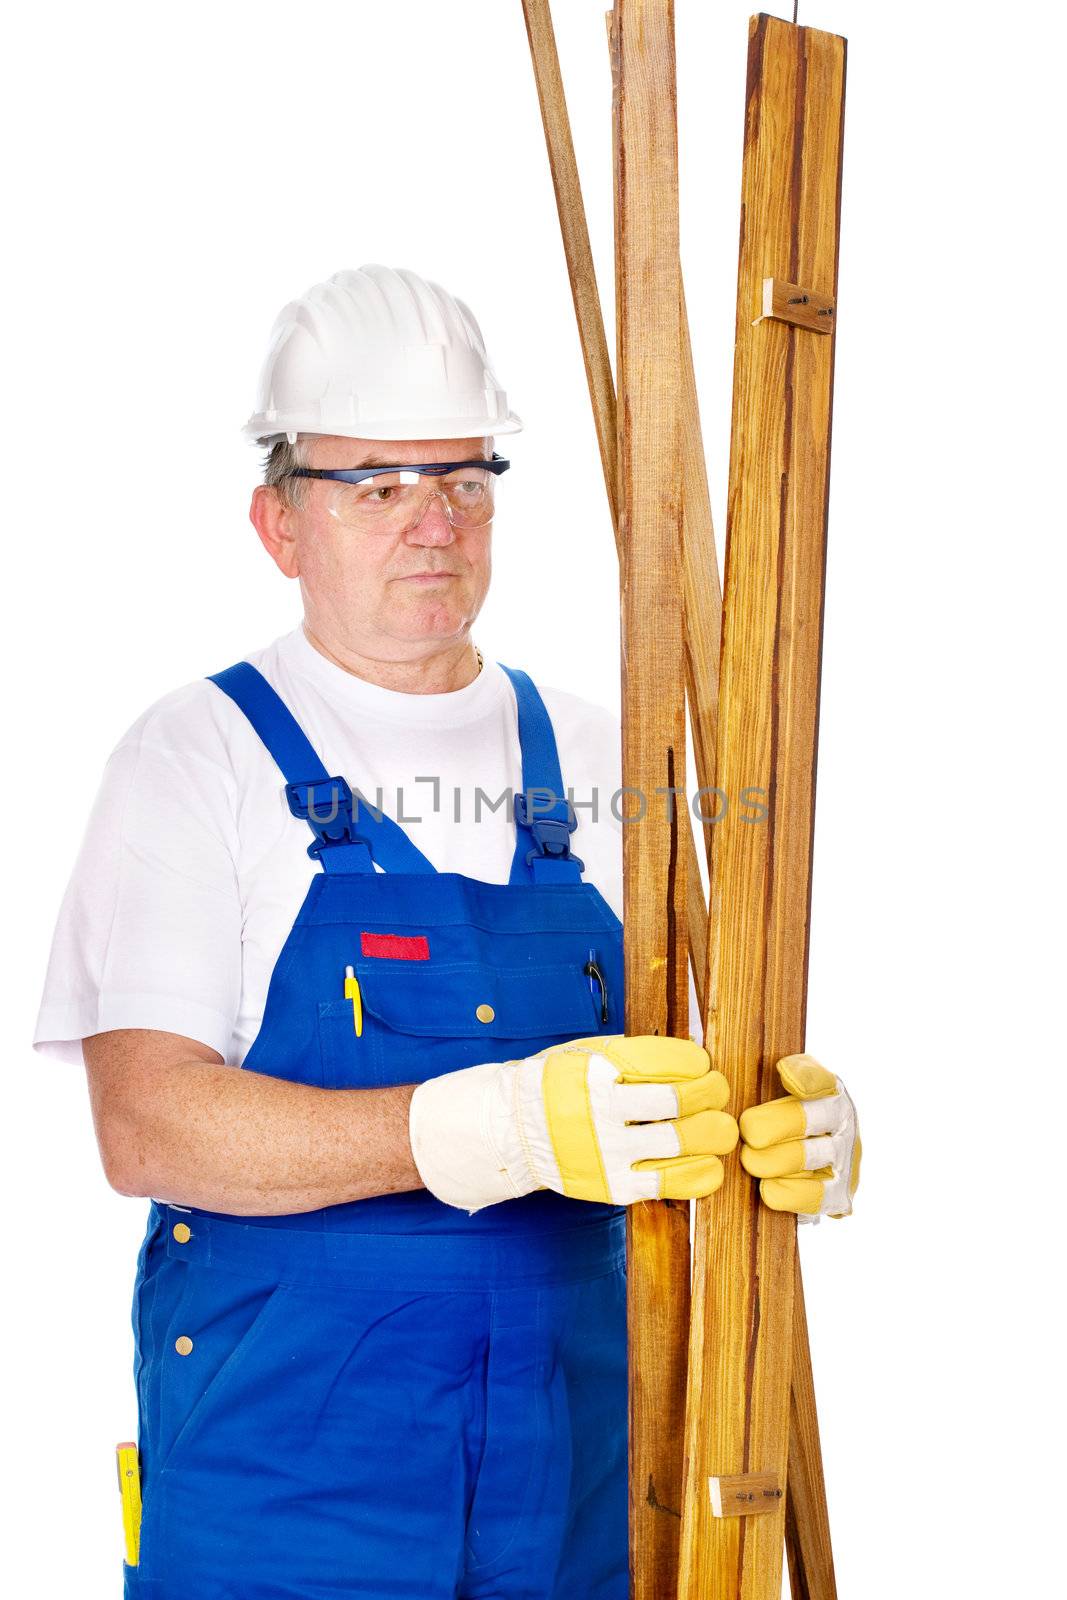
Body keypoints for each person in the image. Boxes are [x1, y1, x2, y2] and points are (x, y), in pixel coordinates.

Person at [33, 264, 861, 1600]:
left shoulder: (617, 749)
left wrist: (781, 1121)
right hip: (287, 1478)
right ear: (277, 521)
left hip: (576, 1468)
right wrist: (486, 1129)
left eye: (465, 481)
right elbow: (149, 1129)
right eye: (375, 484)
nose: (431, 524)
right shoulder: (195, 759)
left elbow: (682, 1083)